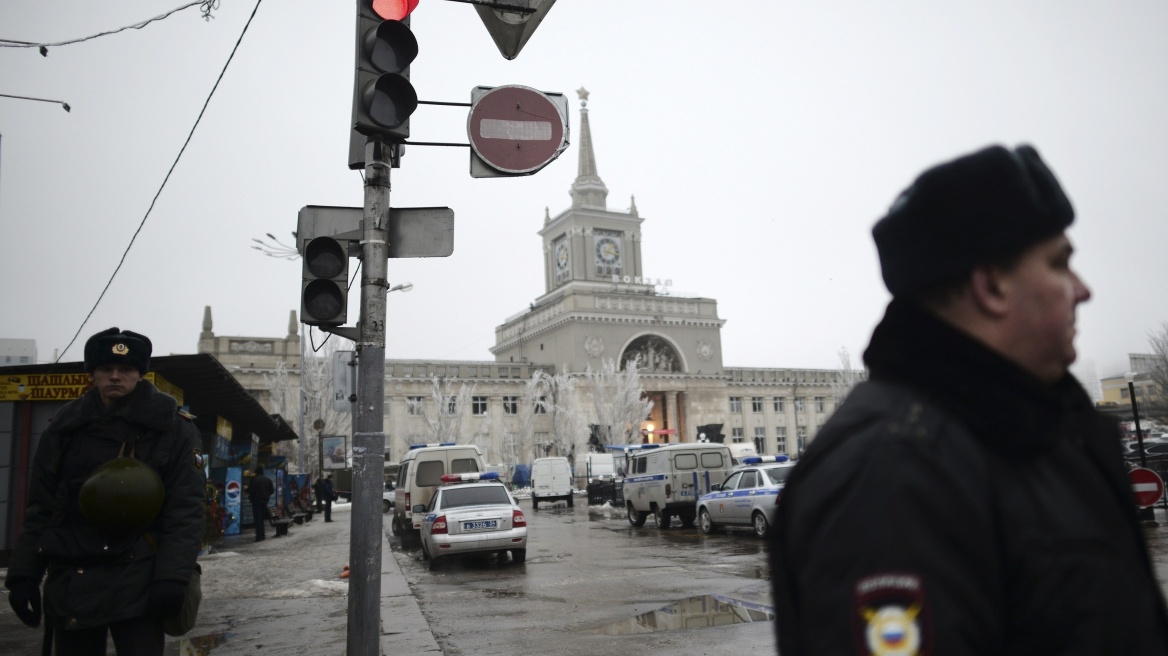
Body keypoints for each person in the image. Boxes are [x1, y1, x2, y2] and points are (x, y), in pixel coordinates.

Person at [771, 144, 1168, 654]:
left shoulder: (1036, 431)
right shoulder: (894, 474)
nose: (1083, 289)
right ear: (992, 286)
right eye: (1059, 263)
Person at [4, 327, 205, 656]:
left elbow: (185, 510)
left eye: (125, 369)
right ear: (92, 373)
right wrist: (23, 574)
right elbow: (42, 506)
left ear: (140, 374)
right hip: (73, 577)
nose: (115, 376)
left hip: (138, 575)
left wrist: (172, 577)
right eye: (106, 368)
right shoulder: (65, 426)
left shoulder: (172, 426)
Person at [247, 466, 275, 542]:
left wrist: (251, 496)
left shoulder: (254, 480)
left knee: (257, 519)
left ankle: (259, 536)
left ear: (256, 473)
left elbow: (250, 490)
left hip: (256, 501)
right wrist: (266, 495)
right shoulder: (268, 480)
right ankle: (262, 535)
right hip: (265, 501)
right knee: (262, 518)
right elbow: (272, 490)